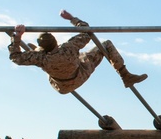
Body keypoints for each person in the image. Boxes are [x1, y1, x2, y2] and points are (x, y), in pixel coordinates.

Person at [8, 10, 147, 94]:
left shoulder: (40, 58)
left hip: (60, 85)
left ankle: (36, 50)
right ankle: (125, 75)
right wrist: (71, 18)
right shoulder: (69, 47)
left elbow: (15, 57)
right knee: (105, 45)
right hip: (79, 75)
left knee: (38, 60)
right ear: (56, 41)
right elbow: (87, 30)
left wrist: (17, 37)